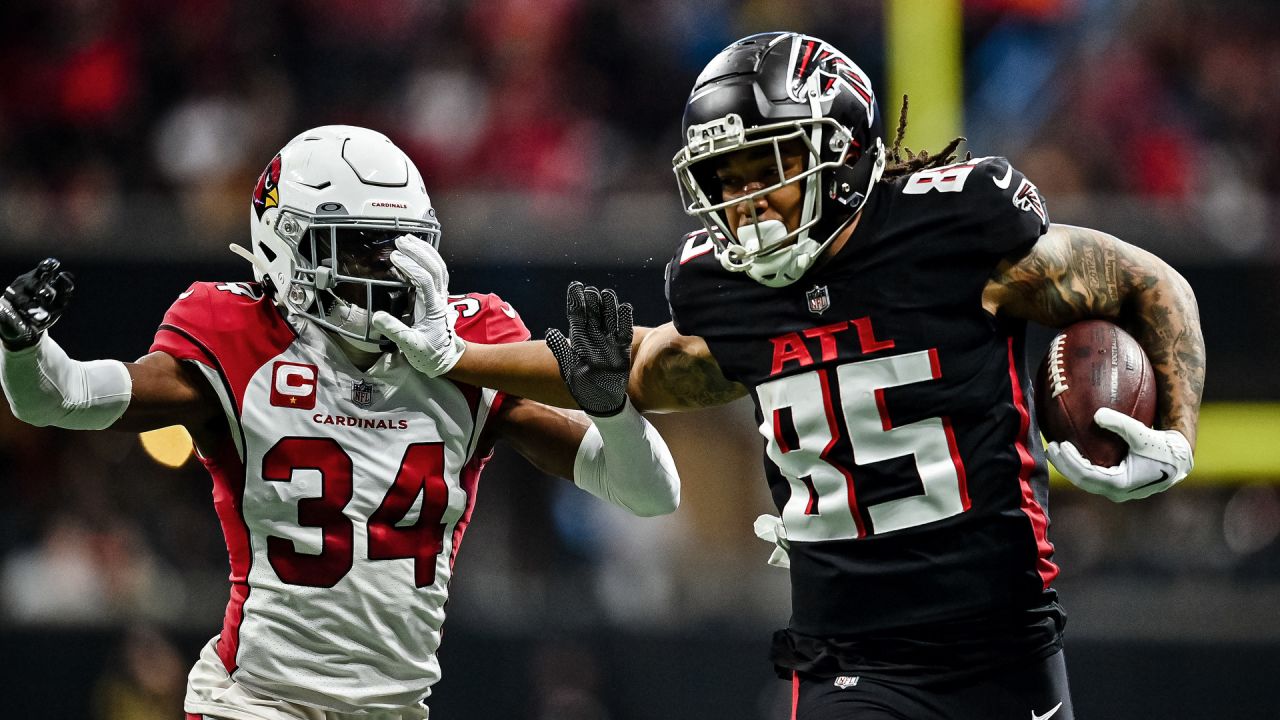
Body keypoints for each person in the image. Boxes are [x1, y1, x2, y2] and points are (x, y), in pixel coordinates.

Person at [403, 32, 1206, 720]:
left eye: (767, 171)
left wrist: (1176, 428)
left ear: (841, 152)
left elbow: (1148, 282)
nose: (747, 206)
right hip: (847, 659)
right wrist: (450, 354)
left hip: (1002, 636)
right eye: (728, 183)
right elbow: (640, 367)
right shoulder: (726, 289)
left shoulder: (951, 230)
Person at [0, 125, 680, 720]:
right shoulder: (241, 336)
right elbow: (60, 397)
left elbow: (653, 495)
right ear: (286, 244)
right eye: (362, 249)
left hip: (393, 708)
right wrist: (26, 350)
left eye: (404, 246)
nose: (392, 271)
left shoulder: (470, 349)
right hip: (256, 703)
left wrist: (612, 409)